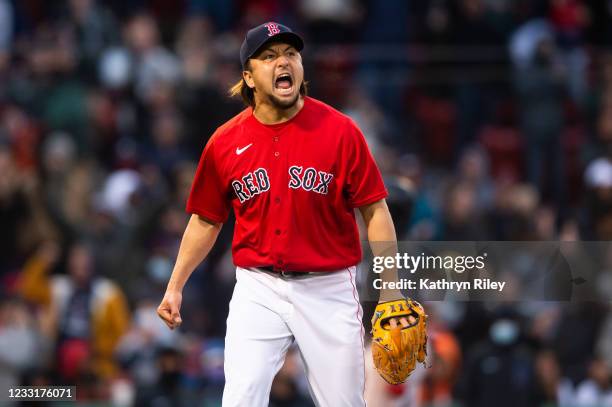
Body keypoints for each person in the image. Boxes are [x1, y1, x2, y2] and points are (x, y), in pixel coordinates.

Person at [157, 22, 404, 406]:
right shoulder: (225, 142)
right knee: (240, 398)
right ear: (248, 77)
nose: (282, 62)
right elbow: (206, 219)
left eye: (290, 53)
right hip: (259, 287)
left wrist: (390, 288)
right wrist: (175, 286)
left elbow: (375, 210)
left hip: (329, 288)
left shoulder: (340, 131)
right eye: (269, 56)